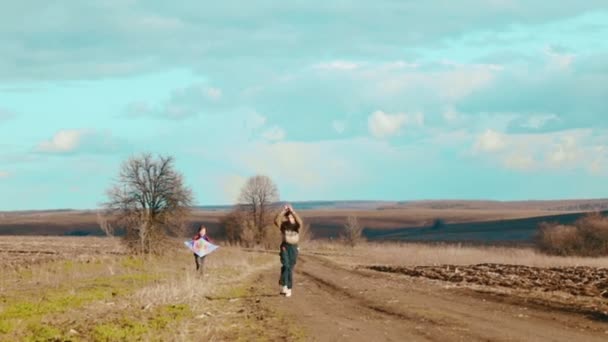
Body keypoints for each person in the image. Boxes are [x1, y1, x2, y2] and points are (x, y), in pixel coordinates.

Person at [274, 204, 303, 297]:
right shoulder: (284, 226)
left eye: (291, 217)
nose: (290, 218)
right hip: (285, 246)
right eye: (288, 217)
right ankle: (285, 286)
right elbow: (276, 221)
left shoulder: (296, 226)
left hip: (294, 248)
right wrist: (283, 211)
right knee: (285, 265)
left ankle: (288, 287)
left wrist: (293, 211)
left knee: (290, 268)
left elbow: (300, 222)